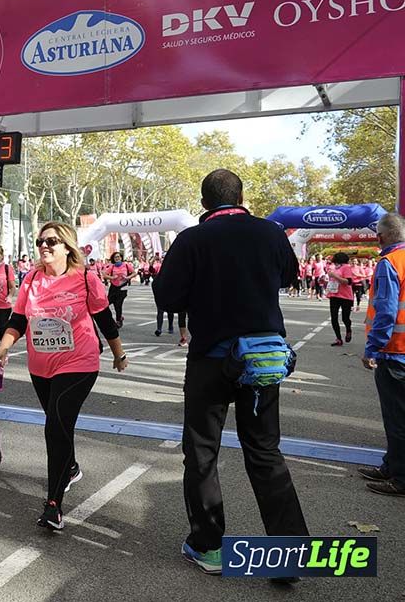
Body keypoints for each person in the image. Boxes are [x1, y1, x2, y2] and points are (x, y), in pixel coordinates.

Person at [154, 169, 308, 576]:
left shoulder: (191, 239)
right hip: (263, 360)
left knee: (203, 453)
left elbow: (167, 297)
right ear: (241, 196)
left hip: (211, 361)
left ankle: (208, 547)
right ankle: (289, 556)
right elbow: (290, 277)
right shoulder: (271, 233)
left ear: (204, 202)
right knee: (264, 451)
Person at [0, 222, 127, 531]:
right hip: (41, 367)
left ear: (67, 246)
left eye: (52, 241)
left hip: (79, 362)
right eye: (40, 241)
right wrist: (3, 346)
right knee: (59, 422)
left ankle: (53, 505)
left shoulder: (86, 279)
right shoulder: (32, 279)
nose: (44, 246)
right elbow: (18, 320)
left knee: (55, 426)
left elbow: (105, 320)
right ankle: (72, 466)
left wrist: (119, 355)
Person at [360, 213, 405, 497]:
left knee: (396, 418)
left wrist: (372, 348)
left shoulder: (389, 264)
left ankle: (399, 478)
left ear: (382, 236)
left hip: (394, 352)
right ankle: (391, 465)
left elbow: (386, 312)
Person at [326, 252, 355, 346]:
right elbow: (332, 280)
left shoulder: (346, 267)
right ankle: (338, 338)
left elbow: (348, 282)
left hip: (345, 296)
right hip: (334, 295)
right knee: (333, 318)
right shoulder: (334, 268)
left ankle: (348, 329)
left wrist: (335, 276)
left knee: (345, 318)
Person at [102, 252, 136, 327]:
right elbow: (104, 274)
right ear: (113, 259)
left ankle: (118, 321)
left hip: (123, 287)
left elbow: (134, 273)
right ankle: (118, 317)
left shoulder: (126, 265)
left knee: (118, 304)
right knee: (107, 304)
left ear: (121, 257)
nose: (117, 258)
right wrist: (112, 278)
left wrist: (127, 278)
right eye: (115, 257)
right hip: (113, 287)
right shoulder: (112, 266)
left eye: (118, 257)